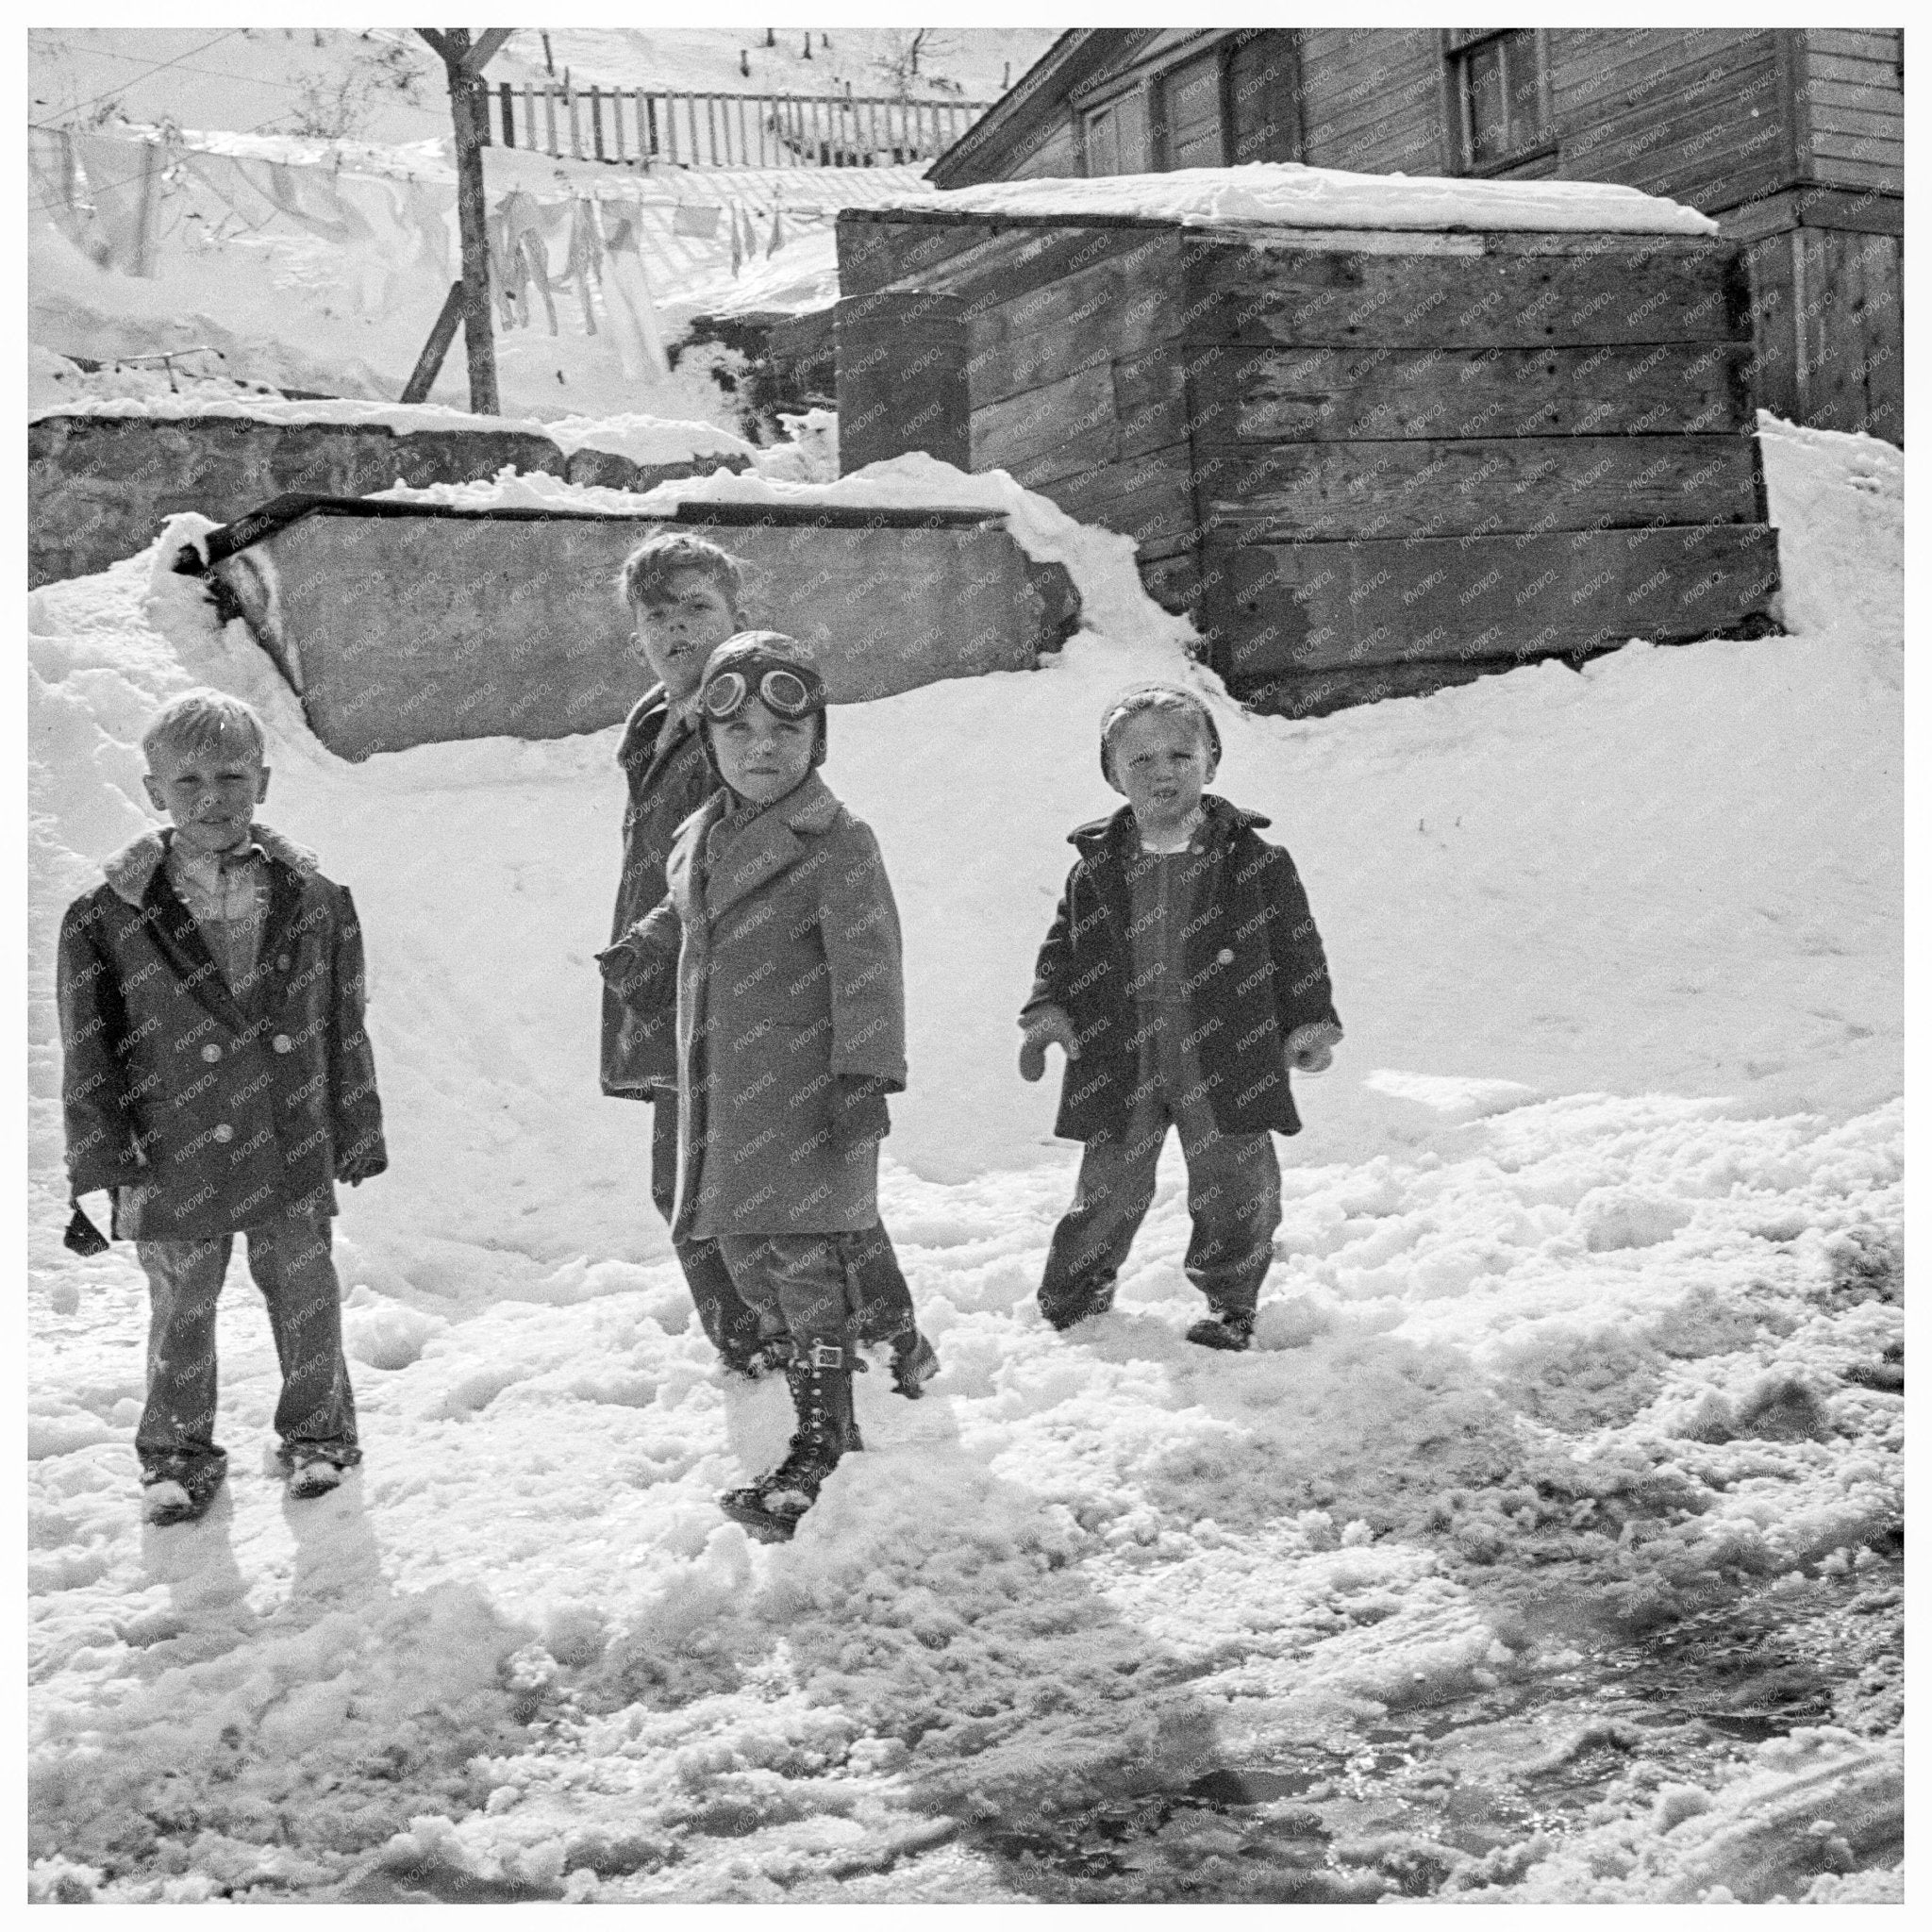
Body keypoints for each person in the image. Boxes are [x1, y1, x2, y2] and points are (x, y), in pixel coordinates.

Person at [600, 533, 935, 1393]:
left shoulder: (755, 729)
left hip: (753, 1003)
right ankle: (799, 1338)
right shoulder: (654, 721)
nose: (676, 633)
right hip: (677, 982)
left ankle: (790, 1342)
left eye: (697, 610)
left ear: (737, 618)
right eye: (657, 618)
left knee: (781, 1193)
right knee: (707, 1185)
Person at [601, 636, 907, 1538]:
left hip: (809, 1095)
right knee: (743, 1253)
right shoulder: (704, 828)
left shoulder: (838, 842)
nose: (762, 748)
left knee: (801, 1261)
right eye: (738, 734)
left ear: (819, 736)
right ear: (711, 745)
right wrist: (651, 944)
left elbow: (870, 969)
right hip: (723, 1094)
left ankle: (825, 1436)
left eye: (785, 728)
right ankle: (868, 1355)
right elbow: (687, 898)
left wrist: (866, 1075)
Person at [57, 690, 386, 1526]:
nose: (211, 797)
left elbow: (343, 1023)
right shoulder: (106, 914)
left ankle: (320, 1434)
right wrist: (100, 1159)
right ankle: (175, 1454)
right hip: (173, 1146)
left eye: (232, 775)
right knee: (180, 1305)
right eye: (189, 779)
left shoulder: (318, 899)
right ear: (153, 790)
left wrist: (355, 1126)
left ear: (265, 783)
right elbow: (88, 1049)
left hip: (288, 1133)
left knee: (307, 1288)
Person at [1018, 683, 1343, 1352]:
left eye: (1179, 754)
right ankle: (1074, 1297)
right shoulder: (1097, 866)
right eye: (1139, 761)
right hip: (1123, 1050)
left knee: (1234, 1184)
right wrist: (1049, 1009)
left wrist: (1310, 1020)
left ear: (1211, 762)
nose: (1162, 771)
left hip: (1224, 1046)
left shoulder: (1255, 861)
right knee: (1108, 1184)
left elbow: (1296, 945)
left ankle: (1230, 1303)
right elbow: (1065, 948)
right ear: (1112, 774)